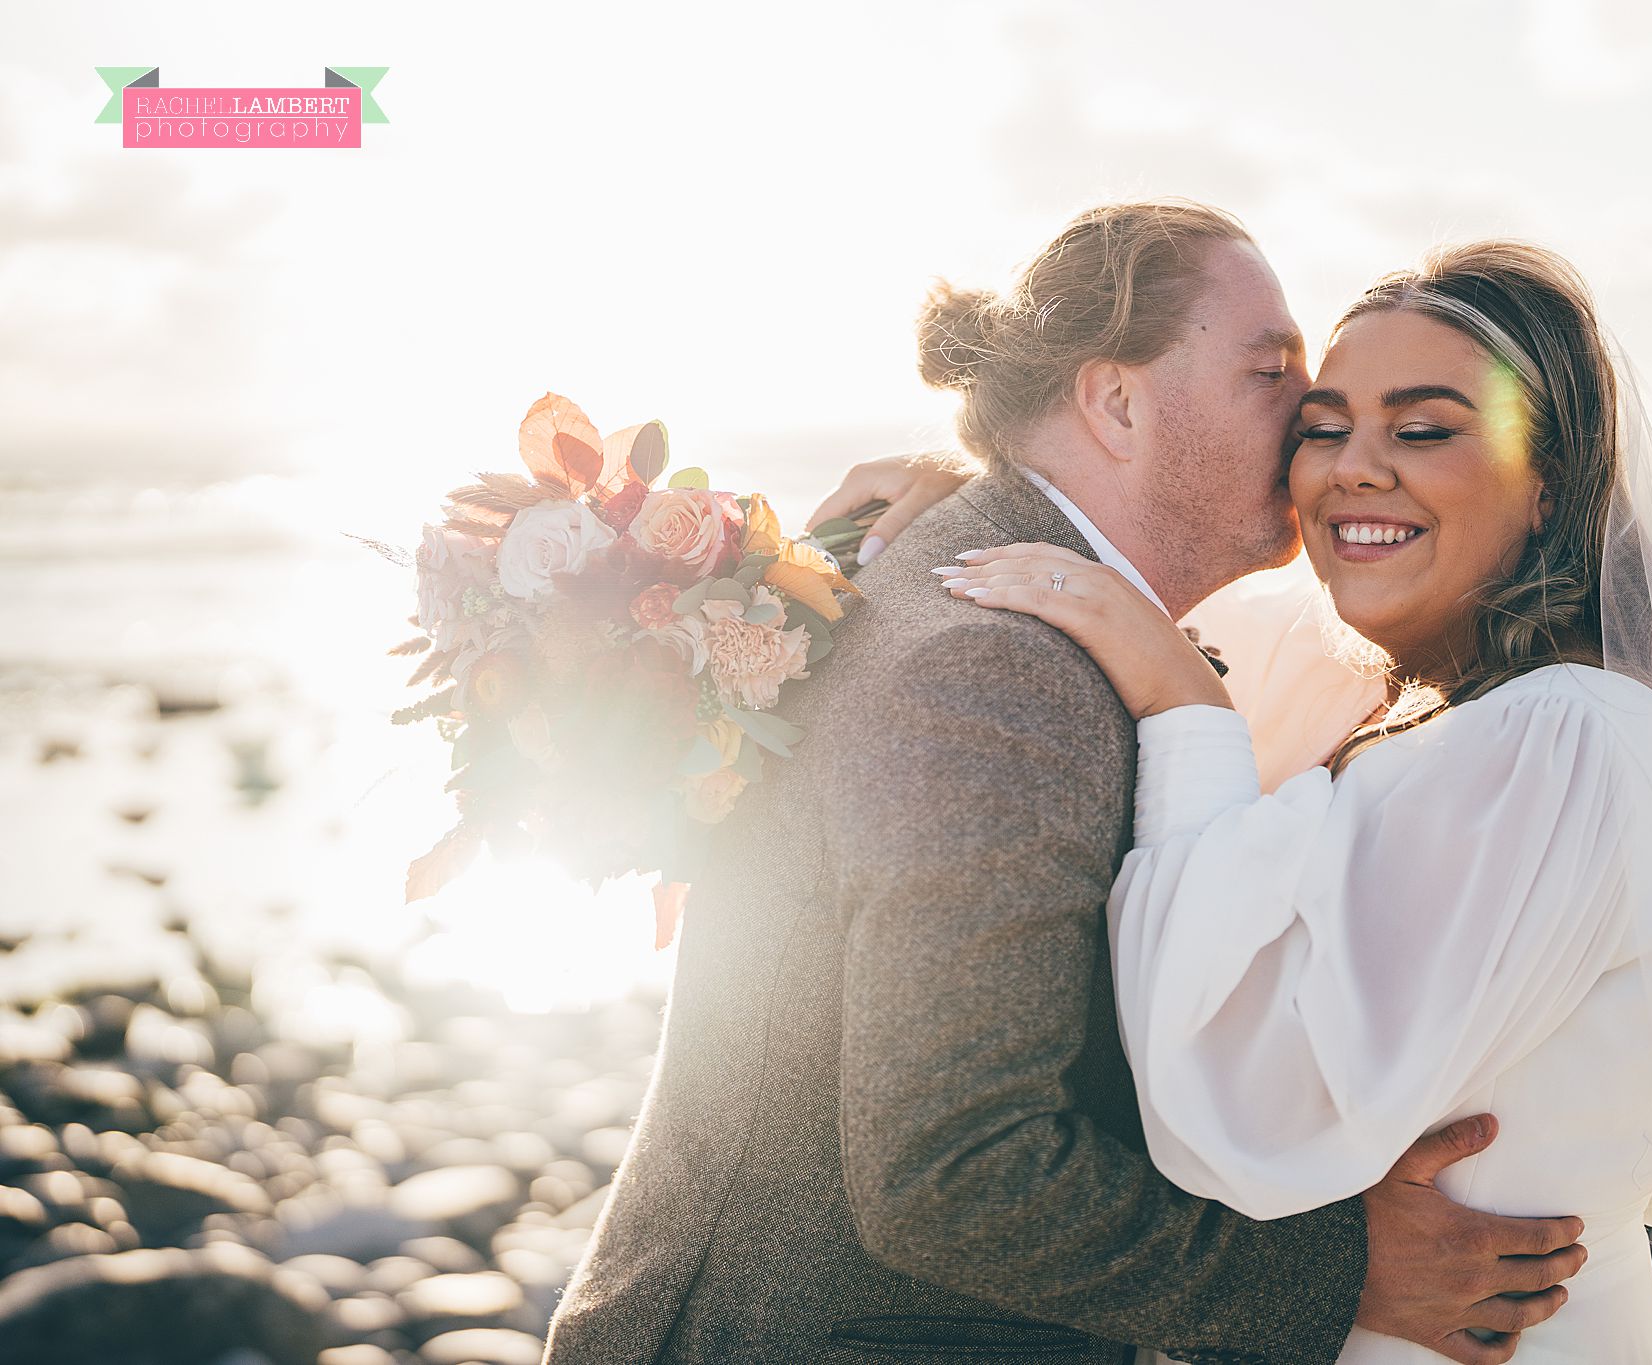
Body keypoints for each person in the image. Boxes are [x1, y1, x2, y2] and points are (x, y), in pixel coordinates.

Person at [902, 239, 1652, 1362]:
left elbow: (1225, 1092)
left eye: (1424, 429)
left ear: (1547, 481)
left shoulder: (1564, 744)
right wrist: (933, 516)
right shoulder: (1460, 723)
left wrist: (1174, 697)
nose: (1352, 466)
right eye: (1320, 427)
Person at [542, 202, 1589, 1365]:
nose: (1312, 418)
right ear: (1117, 403)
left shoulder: (990, 593)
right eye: (1267, 370)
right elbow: (954, 1173)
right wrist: (1341, 1275)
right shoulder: (990, 666)